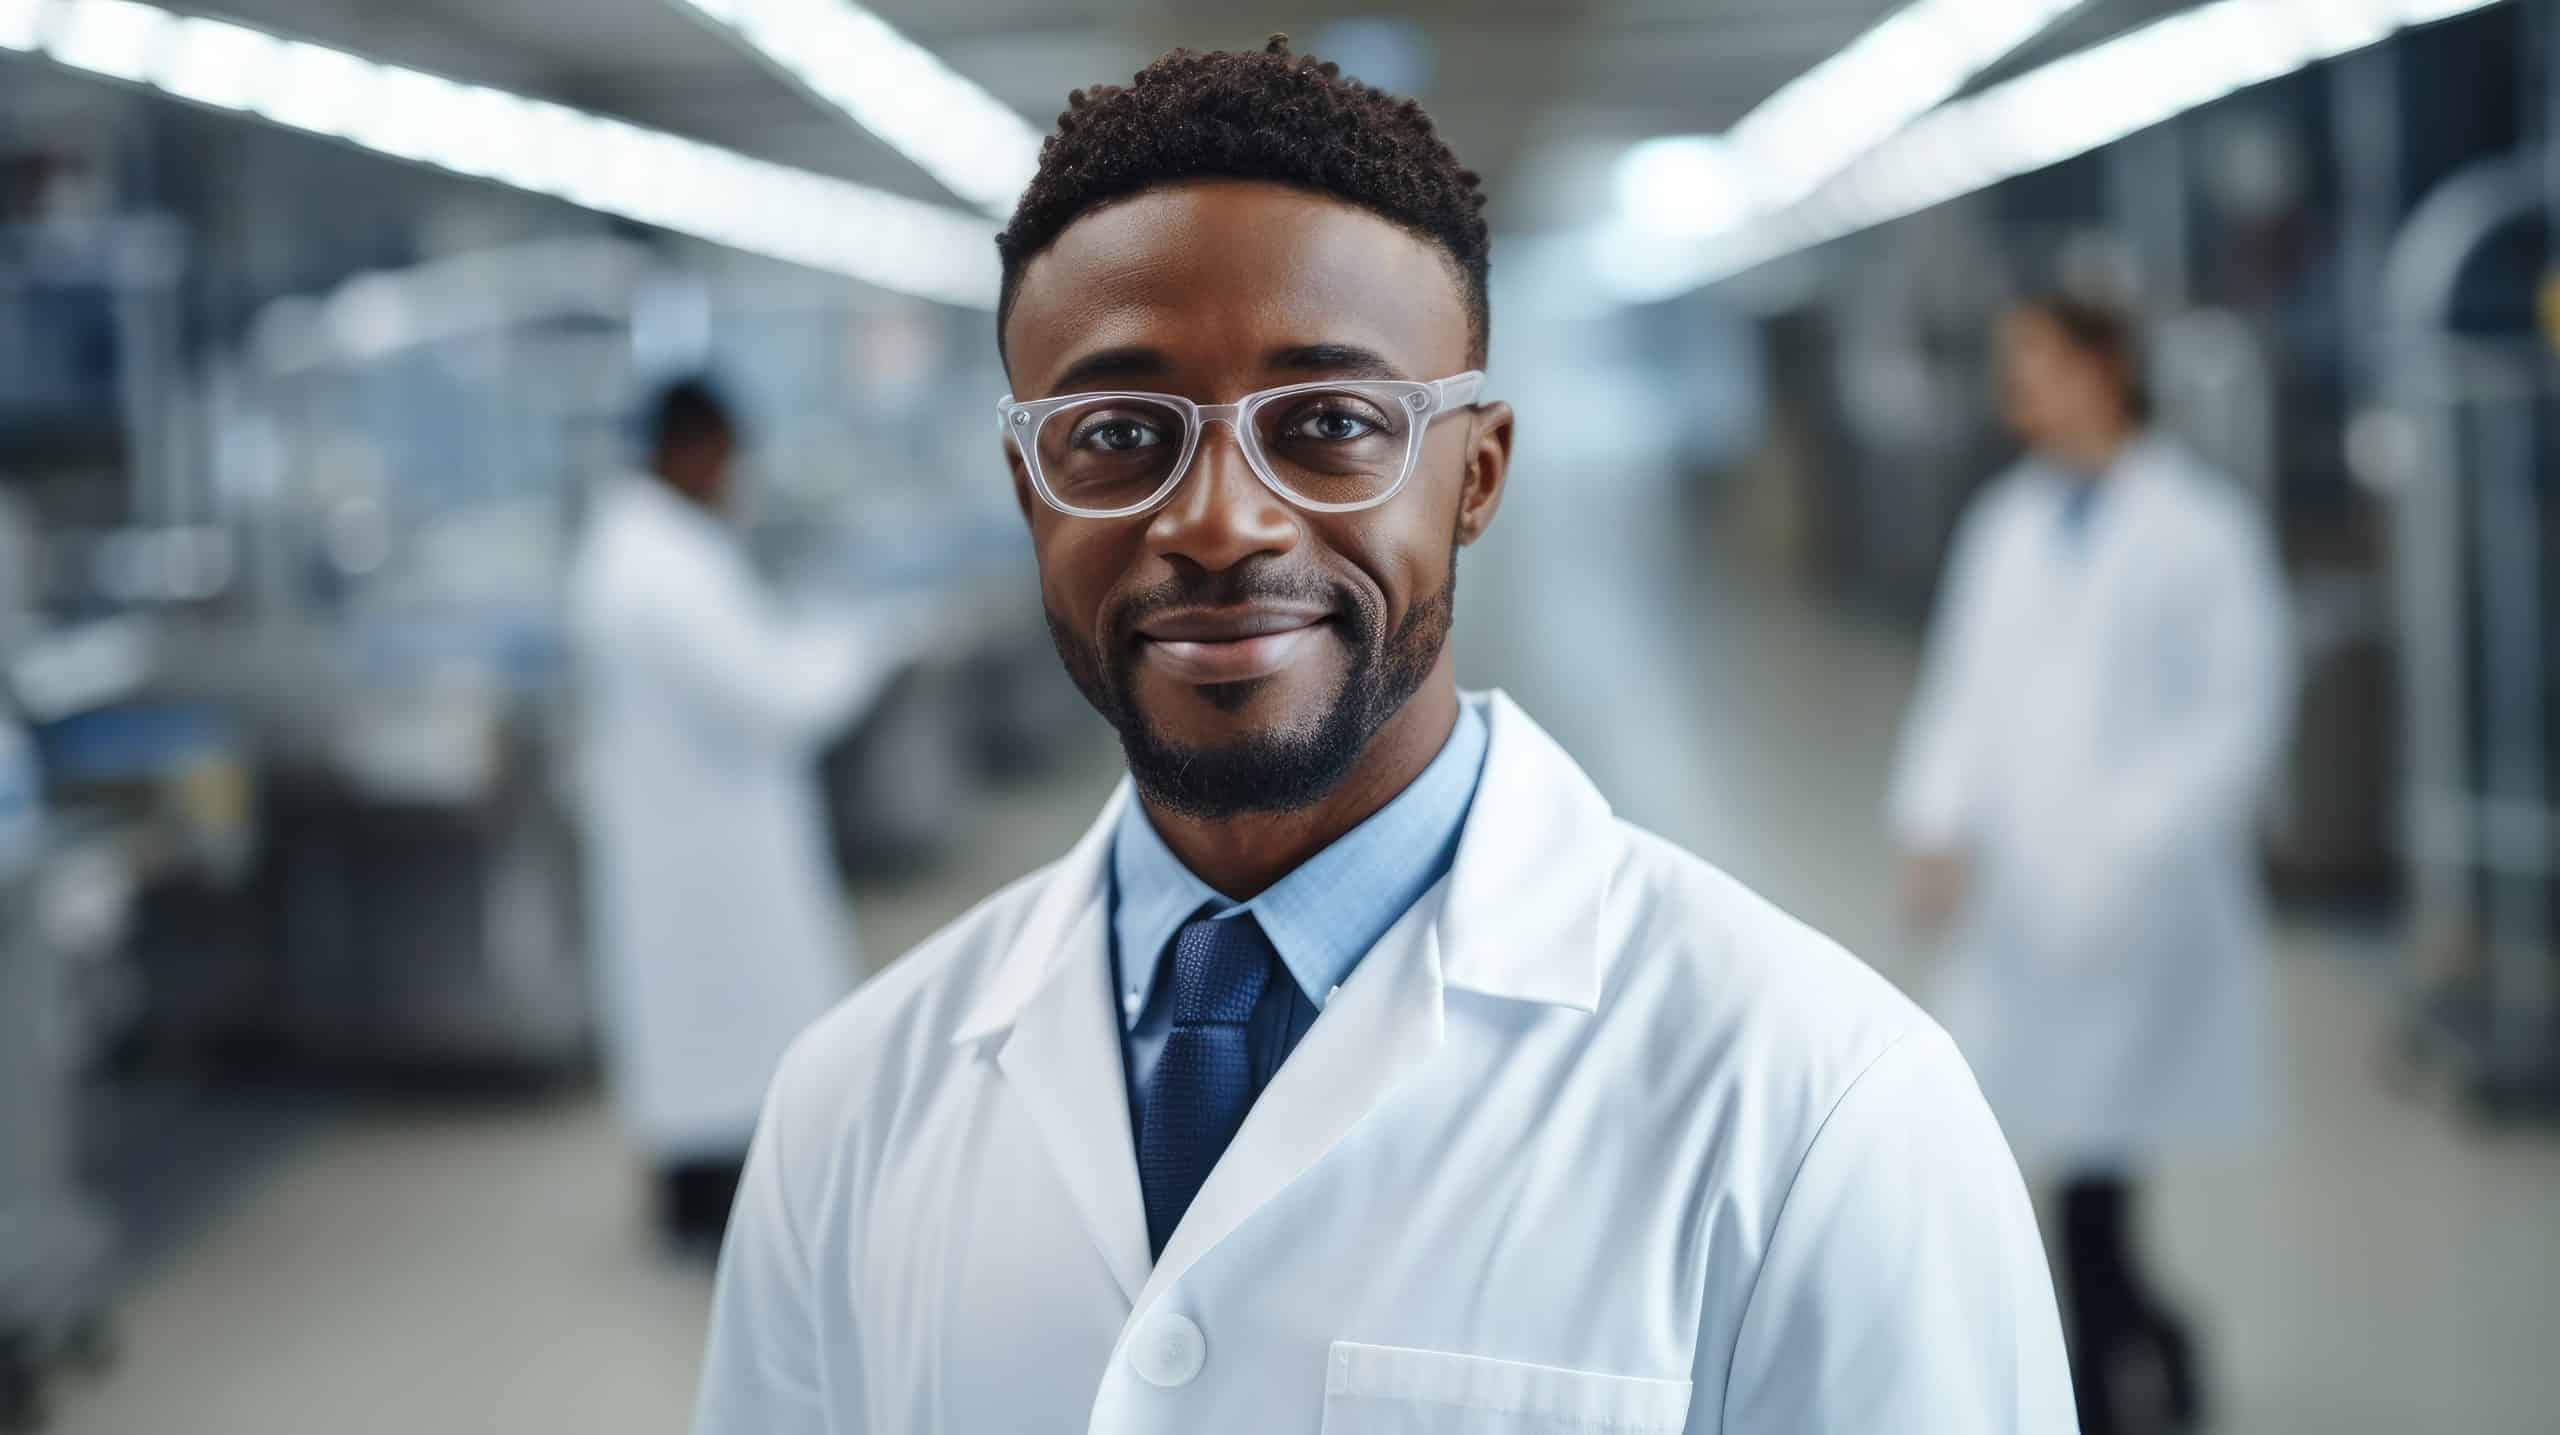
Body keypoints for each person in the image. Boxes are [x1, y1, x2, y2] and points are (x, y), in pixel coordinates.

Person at [695, 37, 2072, 1435]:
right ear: (1029, 482)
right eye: (1117, 431)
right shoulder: (849, 1109)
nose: (1220, 521)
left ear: (1476, 475)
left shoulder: (1820, 1116)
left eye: (1332, 423)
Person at [1891, 295, 2294, 1435]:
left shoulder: (2200, 527)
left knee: (2093, 1168)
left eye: (2035, 362)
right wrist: (1934, 818)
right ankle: (2140, 1348)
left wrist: (2130, 838)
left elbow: (2239, 710)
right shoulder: (2005, 522)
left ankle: (2116, 1372)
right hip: (2022, 896)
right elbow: (1961, 690)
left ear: (2104, 367)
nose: (2012, 386)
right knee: (2045, 1147)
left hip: (2143, 898)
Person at [567, 377, 905, 1246]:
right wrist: (857, 645)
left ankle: (700, 1187)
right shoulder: (663, 569)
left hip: (688, 835)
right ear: (689, 448)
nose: (734, 478)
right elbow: (771, 695)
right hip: (705, 846)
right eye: (727, 457)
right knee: (722, 1023)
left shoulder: (643, 548)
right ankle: (712, 1204)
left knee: (703, 1027)